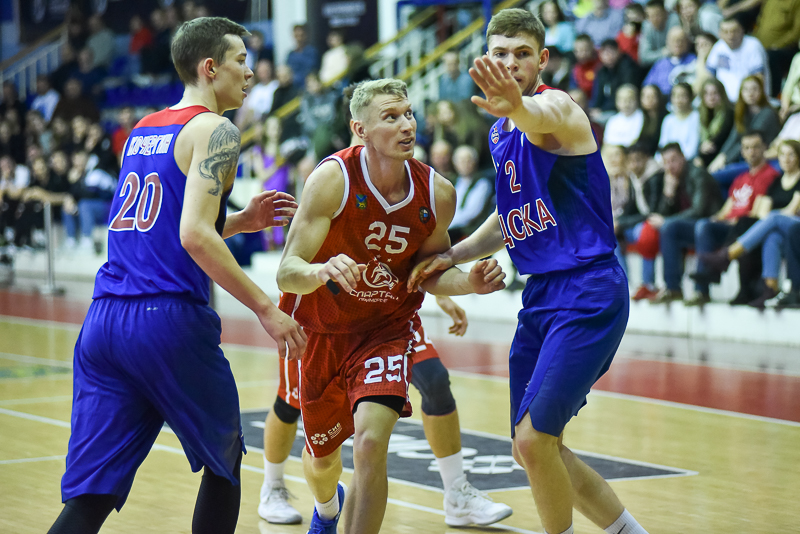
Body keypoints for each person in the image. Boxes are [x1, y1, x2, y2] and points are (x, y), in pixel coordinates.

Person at [46, 17, 306, 534]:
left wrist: (240, 221)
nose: (249, 73)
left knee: (92, 495)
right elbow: (193, 236)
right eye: (240, 61)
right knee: (224, 463)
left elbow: (164, 228)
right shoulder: (218, 130)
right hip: (166, 320)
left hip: (104, 323)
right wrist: (267, 308)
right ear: (210, 68)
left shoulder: (144, 129)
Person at [409, 8, 651, 534]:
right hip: (541, 294)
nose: (510, 63)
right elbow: (510, 216)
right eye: (500, 54)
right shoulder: (501, 132)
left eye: (522, 54)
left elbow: (538, 116)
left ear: (541, 59)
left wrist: (517, 106)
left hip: (588, 288)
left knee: (535, 439)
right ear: (486, 58)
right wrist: (453, 254)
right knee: (532, 448)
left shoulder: (559, 109)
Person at [275, 78, 506, 534]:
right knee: (322, 461)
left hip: (385, 329)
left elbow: (428, 271)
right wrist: (321, 271)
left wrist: (469, 283)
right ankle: (326, 511)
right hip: (323, 331)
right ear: (359, 129)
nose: (407, 125)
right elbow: (287, 272)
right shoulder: (332, 179)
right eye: (391, 117)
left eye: (409, 114)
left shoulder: (436, 192)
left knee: (369, 445)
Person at [699, 139, 798, 307]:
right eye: (783, 154)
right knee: (772, 237)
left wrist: (769, 219)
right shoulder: (777, 181)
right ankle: (770, 289)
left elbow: (791, 210)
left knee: (773, 218)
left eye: (791, 155)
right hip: (779, 228)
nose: (786, 159)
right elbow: (763, 210)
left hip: (795, 224)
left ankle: (728, 255)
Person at [689, 130, 779, 305]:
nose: (751, 152)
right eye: (746, 148)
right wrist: (717, 218)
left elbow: (758, 213)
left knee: (743, 223)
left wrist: (734, 220)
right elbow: (726, 210)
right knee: (704, 225)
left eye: (755, 147)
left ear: (765, 148)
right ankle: (702, 288)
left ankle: (715, 270)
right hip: (731, 225)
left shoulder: (769, 175)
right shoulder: (740, 178)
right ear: (742, 151)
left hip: (747, 225)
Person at [652, 143, 723, 303]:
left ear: (683, 157)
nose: (670, 166)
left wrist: (667, 220)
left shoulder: (698, 174)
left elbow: (699, 210)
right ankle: (673, 288)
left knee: (676, 225)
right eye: (666, 162)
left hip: (712, 224)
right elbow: (662, 215)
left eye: (673, 160)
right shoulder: (671, 179)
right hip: (693, 226)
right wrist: (668, 195)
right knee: (669, 228)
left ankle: (701, 291)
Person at [706, 17, 770, 101]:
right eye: (725, 32)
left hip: (748, 102)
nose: (730, 36)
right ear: (720, 33)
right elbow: (708, 75)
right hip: (723, 102)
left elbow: (758, 79)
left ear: (742, 30)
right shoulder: (719, 47)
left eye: (734, 31)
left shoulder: (753, 45)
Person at [642, 26, 695, 97]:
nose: (678, 43)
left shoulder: (693, 60)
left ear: (687, 42)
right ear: (667, 42)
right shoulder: (660, 63)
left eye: (681, 40)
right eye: (674, 40)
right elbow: (647, 86)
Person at [695, 78, 734, 168]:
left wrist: (703, 153)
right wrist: (701, 147)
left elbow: (719, 142)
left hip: (722, 158)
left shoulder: (729, 113)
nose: (711, 97)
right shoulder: (700, 114)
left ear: (722, 94)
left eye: (715, 93)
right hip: (706, 157)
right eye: (707, 94)